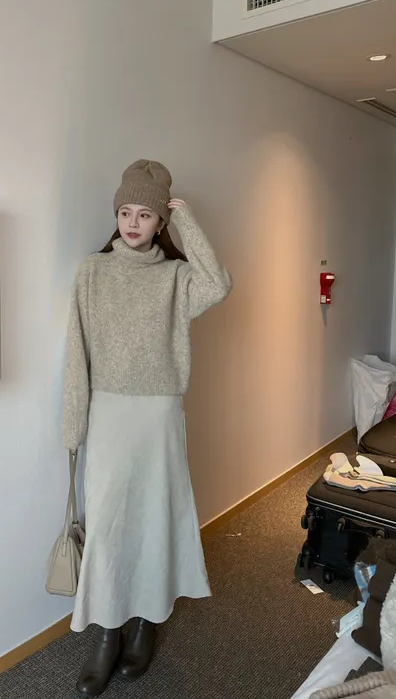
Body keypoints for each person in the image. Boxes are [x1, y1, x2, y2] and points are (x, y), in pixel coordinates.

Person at [61, 159, 233, 696]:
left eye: (145, 214)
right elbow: (76, 352)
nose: (133, 222)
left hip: (158, 413)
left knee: (155, 517)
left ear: (161, 222)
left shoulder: (177, 278)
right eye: (125, 212)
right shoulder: (93, 272)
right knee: (108, 522)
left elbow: (219, 284)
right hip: (109, 413)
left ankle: (145, 621)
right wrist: (73, 422)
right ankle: (108, 630)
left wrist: (189, 221)